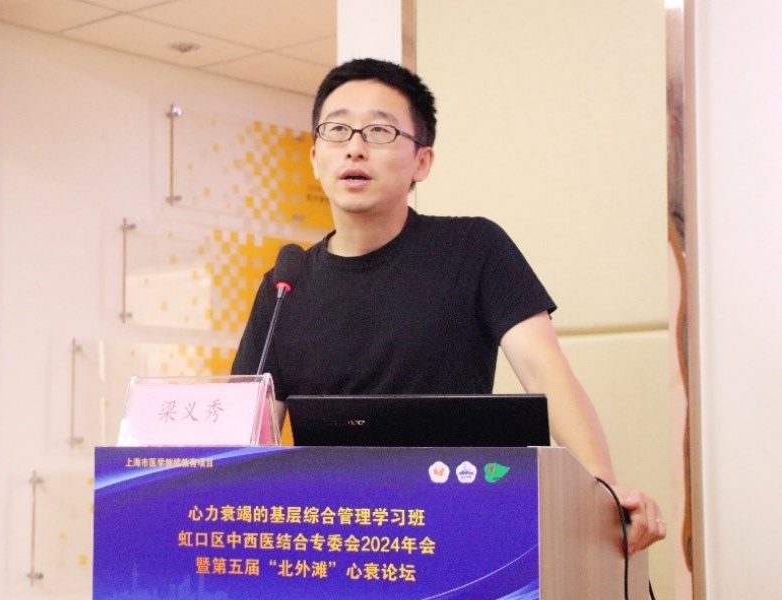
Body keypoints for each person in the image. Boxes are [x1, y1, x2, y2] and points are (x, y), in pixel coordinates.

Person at [232, 57, 666, 555]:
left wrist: (602, 491)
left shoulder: (474, 249)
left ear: (422, 162)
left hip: (456, 529)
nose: (354, 147)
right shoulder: (284, 287)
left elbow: (546, 372)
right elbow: (246, 436)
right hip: (334, 539)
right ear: (314, 157)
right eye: (337, 130)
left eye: (379, 130)